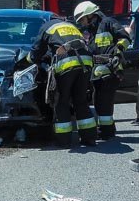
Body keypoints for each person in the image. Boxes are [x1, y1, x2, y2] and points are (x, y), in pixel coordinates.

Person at [31, 18, 96, 147]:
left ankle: (64, 140)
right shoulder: (70, 26)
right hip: (86, 63)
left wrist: (32, 59)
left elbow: (36, 51)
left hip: (67, 64)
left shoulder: (46, 27)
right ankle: (89, 138)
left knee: (62, 101)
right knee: (81, 101)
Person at [74, 1, 131, 140]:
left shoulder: (108, 23)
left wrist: (118, 52)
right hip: (97, 72)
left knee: (104, 102)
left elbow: (125, 38)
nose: (82, 23)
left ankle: (107, 131)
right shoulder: (92, 31)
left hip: (110, 70)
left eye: (82, 19)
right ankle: (107, 128)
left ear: (90, 15)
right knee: (98, 101)